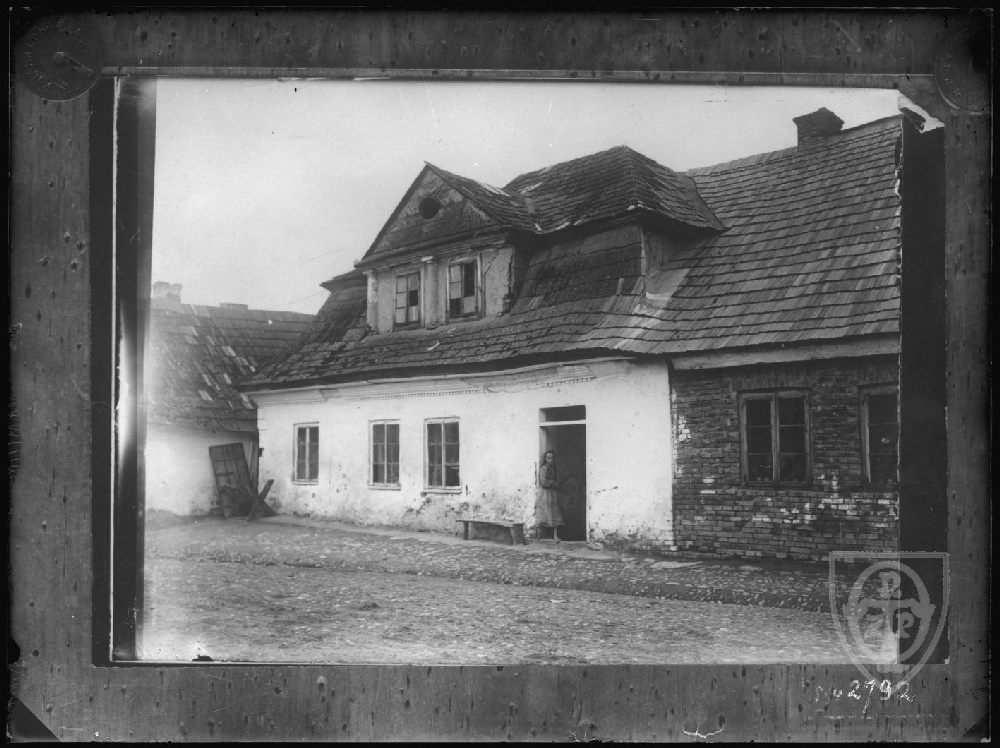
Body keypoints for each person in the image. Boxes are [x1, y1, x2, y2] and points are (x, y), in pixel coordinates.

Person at [536, 450, 564, 542]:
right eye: (548, 458)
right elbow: (544, 482)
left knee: (555, 513)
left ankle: (555, 536)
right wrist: (553, 483)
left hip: (553, 494)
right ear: (545, 459)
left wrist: (555, 483)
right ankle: (539, 535)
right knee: (544, 512)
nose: (550, 460)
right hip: (545, 493)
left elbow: (558, 481)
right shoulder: (543, 469)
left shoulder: (555, 469)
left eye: (552, 458)